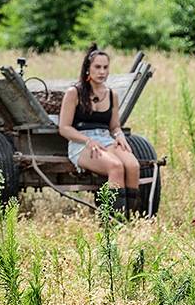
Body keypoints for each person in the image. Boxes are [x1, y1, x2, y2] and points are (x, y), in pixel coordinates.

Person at [59, 45, 145, 215]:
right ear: (87, 69)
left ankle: (131, 217)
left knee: (133, 165)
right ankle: (114, 221)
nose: (102, 72)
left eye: (105, 67)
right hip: (82, 142)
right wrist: (88, 141)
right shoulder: (74, 93)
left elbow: (114, 126)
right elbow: (64, 128)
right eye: (97, 67)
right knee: (116, 166)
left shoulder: (112, 94)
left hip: (106, 139)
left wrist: (119, 135)